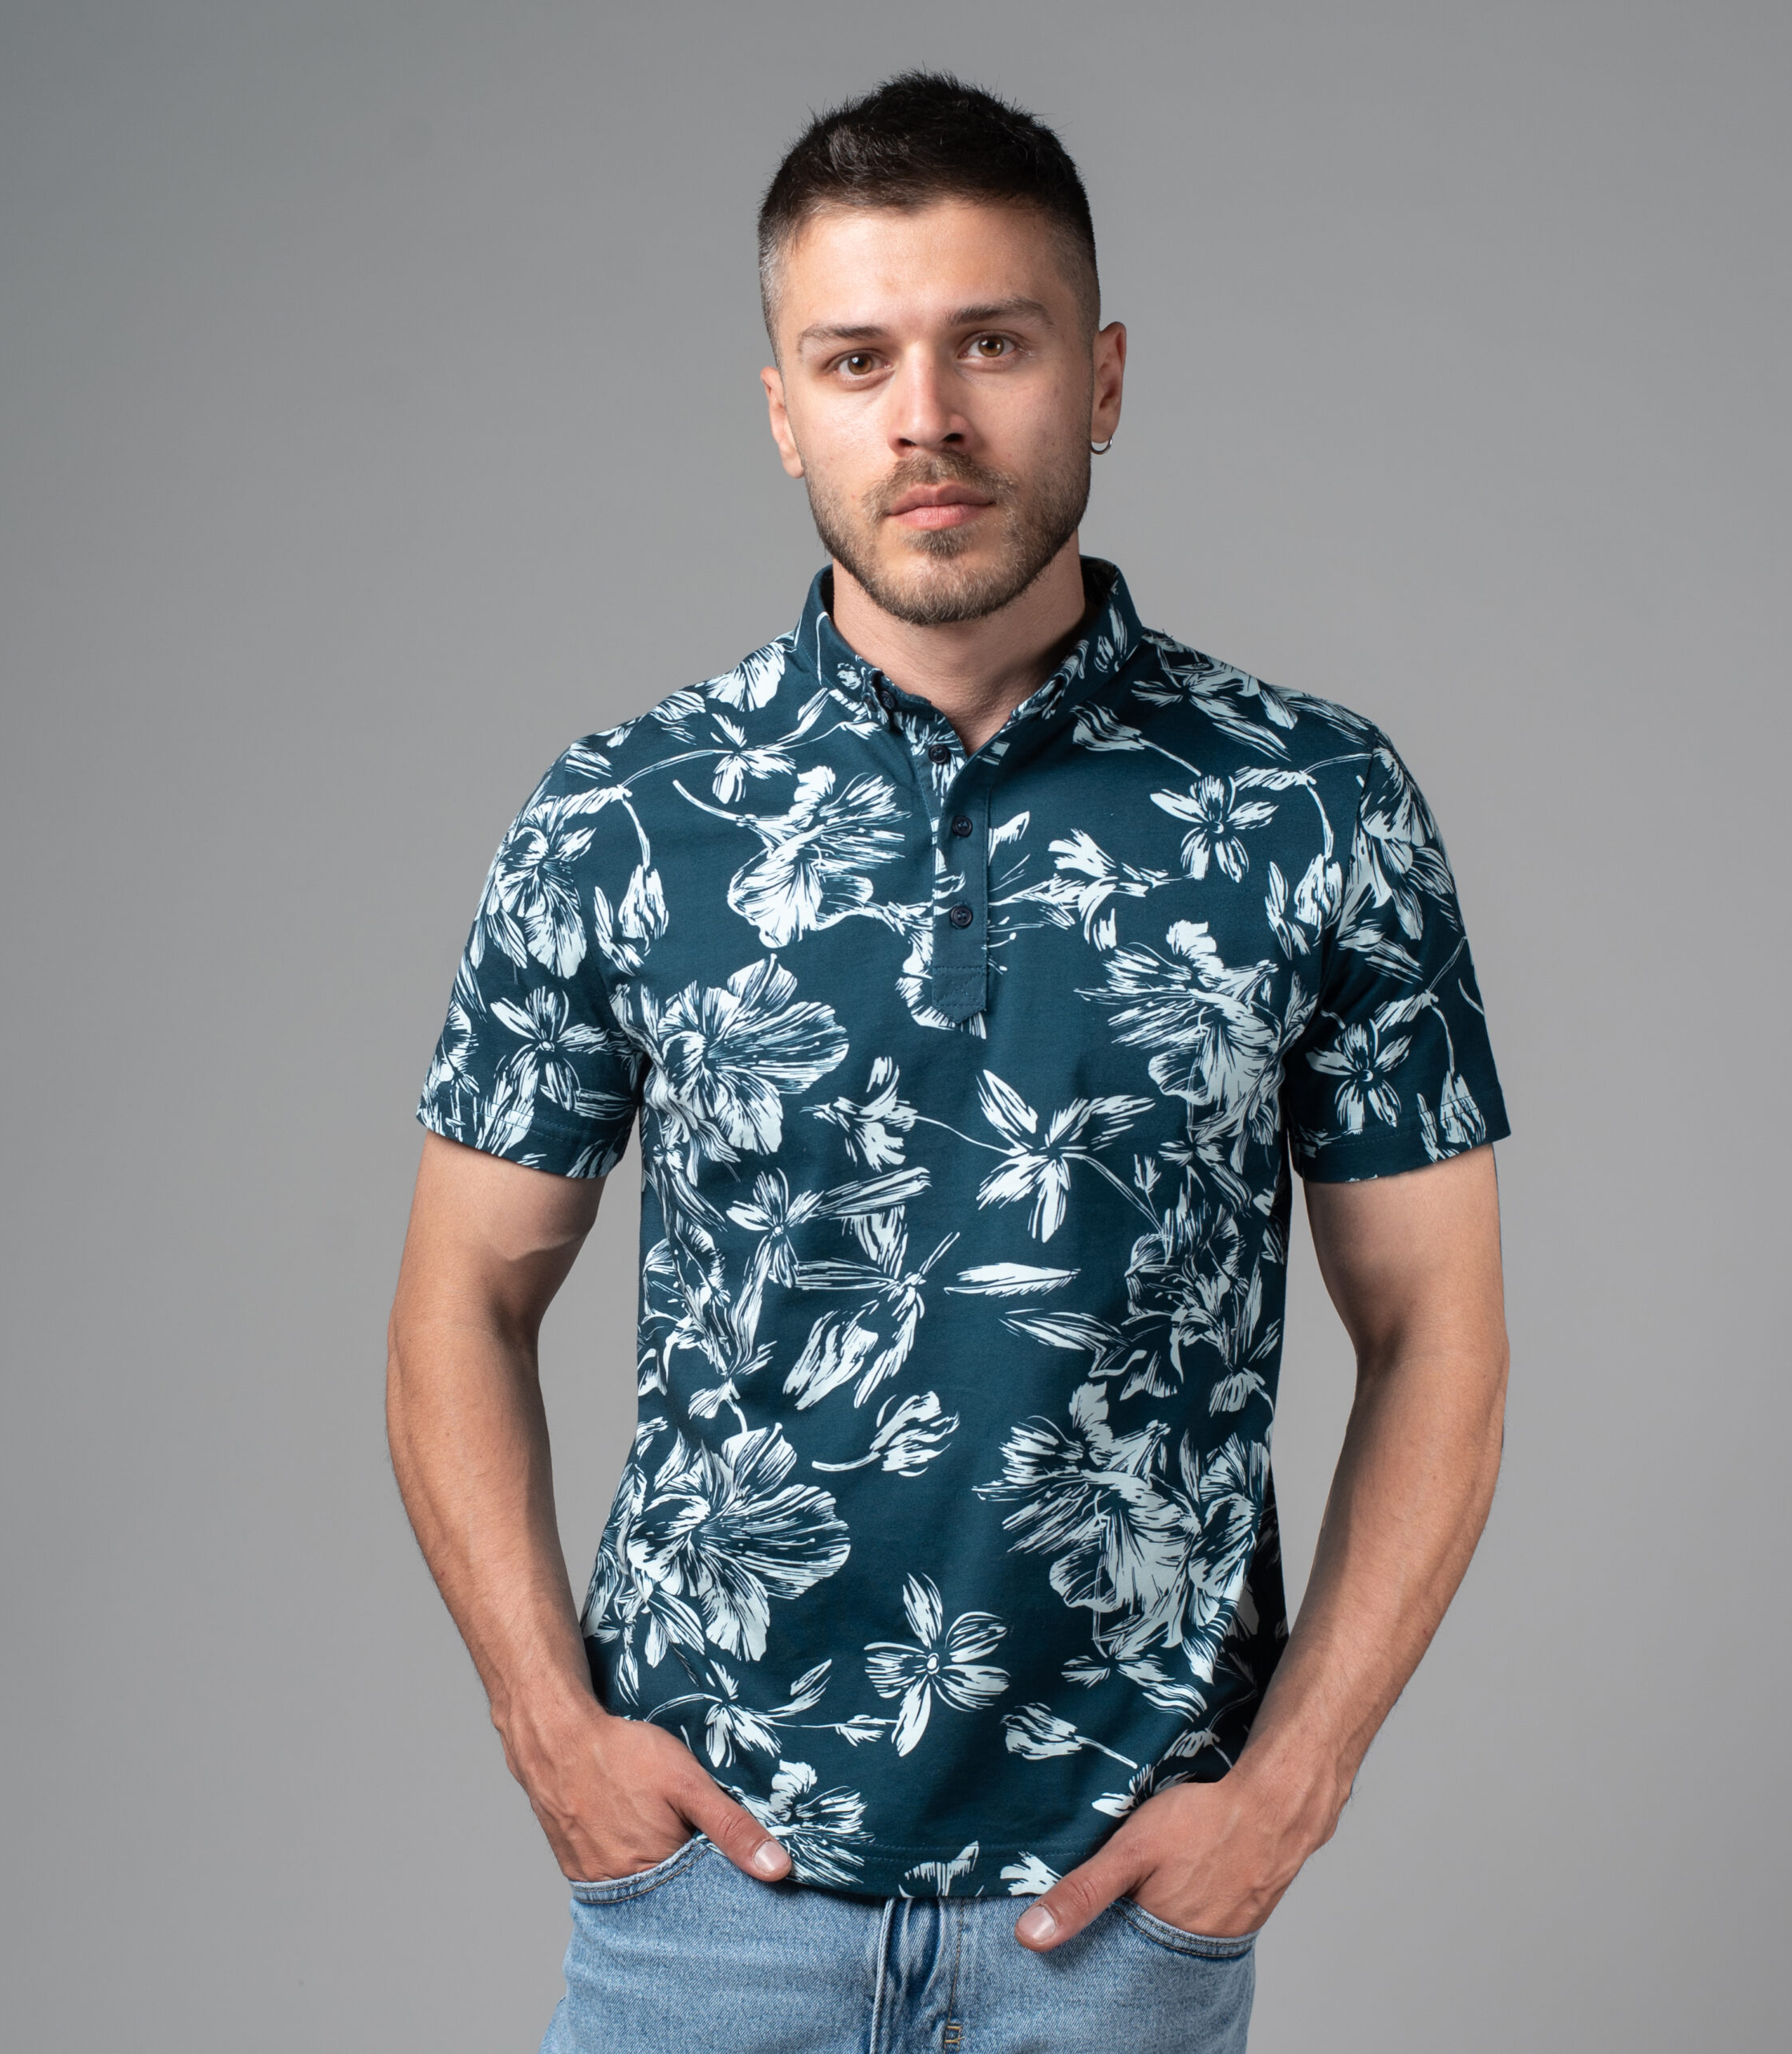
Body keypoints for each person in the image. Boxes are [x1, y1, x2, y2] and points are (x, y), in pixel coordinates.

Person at [386, 70, 1512, 2054]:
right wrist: (546, 1725)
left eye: (991, 342)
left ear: (1100, 377)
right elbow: (455, 1297)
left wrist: (1290, 1786)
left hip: (1115, 1935)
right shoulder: (623, 815)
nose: (926, 416)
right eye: (857, 358)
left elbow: (1439, 1329)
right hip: (703, 1918)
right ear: (782, 409)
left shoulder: (1310, 806)